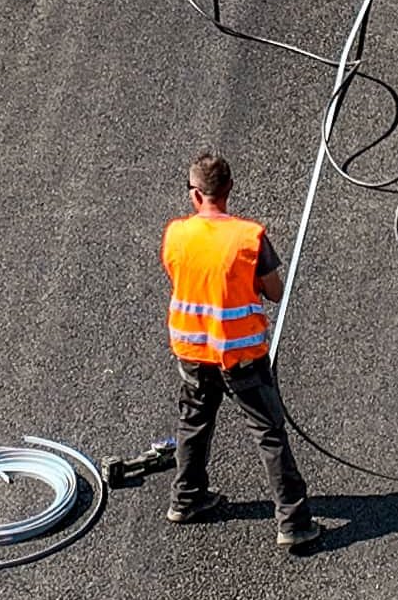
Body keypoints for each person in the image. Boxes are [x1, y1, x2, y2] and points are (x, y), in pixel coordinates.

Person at [133, 152, 314, 552]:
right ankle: (293, 522)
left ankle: (187, 498)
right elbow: (274, 291)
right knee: (268, 433)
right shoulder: (248, 237)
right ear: (229, 189)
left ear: (195, 193)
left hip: (194, 351)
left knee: (193, 425)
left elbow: (179, 275)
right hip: (241, 355)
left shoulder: (176, 234)